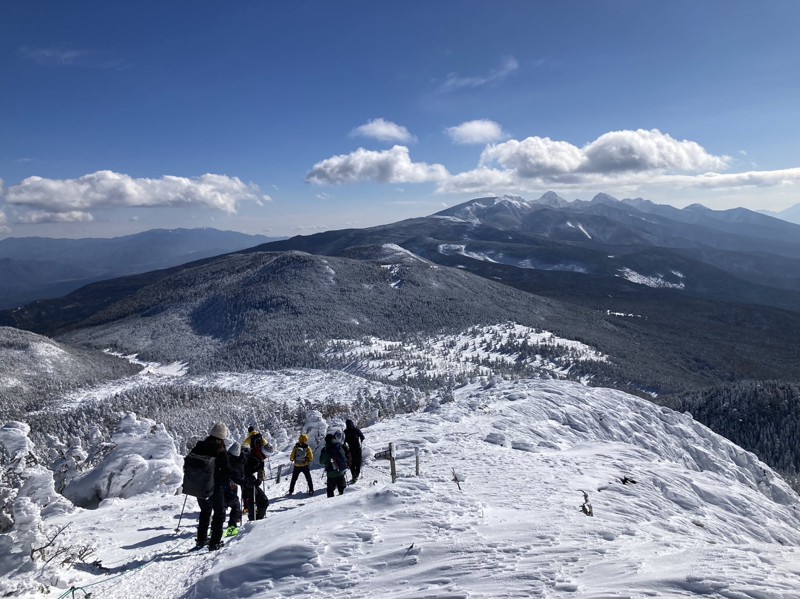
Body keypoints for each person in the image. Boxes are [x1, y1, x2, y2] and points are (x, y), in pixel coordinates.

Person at [191, 422, 230, 551]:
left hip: (199, 485)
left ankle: (201, 540)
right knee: (219, 513)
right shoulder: (220, 450)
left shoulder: (199, 446)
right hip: (214, 487)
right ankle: (215, 543)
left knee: (205, 511)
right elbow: (226, 470)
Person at [241, 445, 269, 520]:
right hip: (249, 482)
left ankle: (254, 518)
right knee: (259, 500)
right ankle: (254, 520)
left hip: (250, 482)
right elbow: (248, 471)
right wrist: (258, 479)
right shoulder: (255, 458)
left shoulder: (257, 455)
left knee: (258, 500)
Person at [224, 441, 245, 534]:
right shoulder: (235, 461)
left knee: (220, 510)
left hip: (218, 488)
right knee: (235, 504)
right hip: (228, 487)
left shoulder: (224, 457)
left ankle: (214, 531)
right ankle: (232, 530)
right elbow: (236, 476)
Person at [320, 432, 347, 498]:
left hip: (331, 473)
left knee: (330, 490)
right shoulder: (339, 446)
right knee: (342, 490)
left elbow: (321, 461)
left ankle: (331, 503)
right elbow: (344, 456)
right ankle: (344, 502)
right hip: (340, 472)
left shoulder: (325, 449)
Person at [344, 419, 365, 483]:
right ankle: (357, 475)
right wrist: (361, 440)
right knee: (358, 462)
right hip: (357, 448)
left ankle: (354, 475)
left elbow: (343, 441)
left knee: (352, 463)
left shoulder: (345, 432)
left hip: (350, 449)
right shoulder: (356, 430)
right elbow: (362, 437)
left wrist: (345, 448)